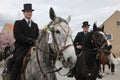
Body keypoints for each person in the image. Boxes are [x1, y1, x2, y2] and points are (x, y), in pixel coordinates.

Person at [8, 3, 39, 80]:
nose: (29, 13)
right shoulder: (18, 23)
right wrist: (29, 40)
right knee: (18, 61)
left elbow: (37, 36)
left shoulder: (35, 25)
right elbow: (17, 35)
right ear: (24, 13)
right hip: (22, 47)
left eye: (30, 12)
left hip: (33, 47)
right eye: (27, 11)